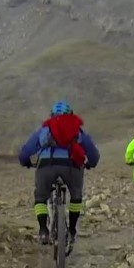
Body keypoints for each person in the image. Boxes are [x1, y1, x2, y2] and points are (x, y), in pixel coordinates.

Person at [19, 100, 99, 251]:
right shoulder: (77, 129)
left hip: (46, 166)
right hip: (71, 166)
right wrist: (90, 163)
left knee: (40, 198)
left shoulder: (45, 129)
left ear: (52, 114)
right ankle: (72, 230)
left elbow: (26, 151)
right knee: (76, 196)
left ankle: (43, 230)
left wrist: (26, 162)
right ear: (70, 113)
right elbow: (92, 152)